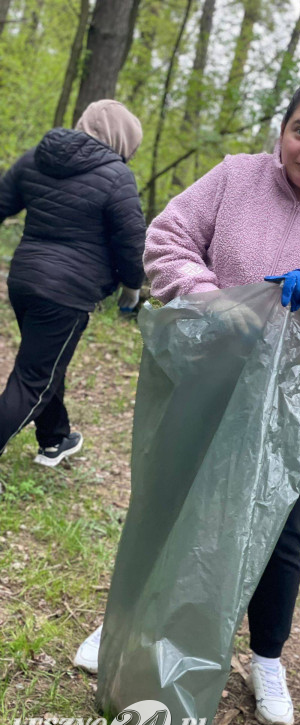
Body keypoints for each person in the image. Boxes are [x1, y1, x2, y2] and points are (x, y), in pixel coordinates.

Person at [74, 76, 300, 725]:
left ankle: (267, 658)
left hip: (299, 405)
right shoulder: (234, 178)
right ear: (284, 130)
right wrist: (213, 298)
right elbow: (165, 239)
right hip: (212, 376)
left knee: (281, 529)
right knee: (170, 498)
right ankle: (123, 626)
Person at [0, 100, 146, 469]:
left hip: (24, 281)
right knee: (35, 377)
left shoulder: (37, 156)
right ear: (122, 141)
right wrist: (132, 290)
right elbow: (132, 244)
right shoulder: (116, 176)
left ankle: (55, 438)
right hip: (66, 293)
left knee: (45, 362)